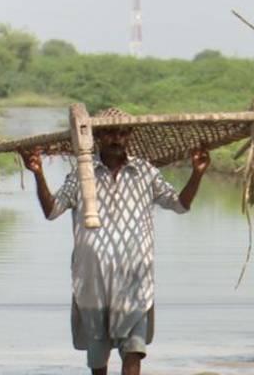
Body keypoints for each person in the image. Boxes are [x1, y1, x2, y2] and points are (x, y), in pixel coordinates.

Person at [19, 126, 210, 375]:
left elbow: (179, 203)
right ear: (97, 138)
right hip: (93, 279)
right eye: (109, 134)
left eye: (121, 134)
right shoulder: (81, 174)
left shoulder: (145, 172)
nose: (116, 139)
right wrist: (38, 174)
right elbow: (52, 210)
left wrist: (197, 174)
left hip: (135, 278)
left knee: (133, 351)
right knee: (98, 357)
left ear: (129, 137)